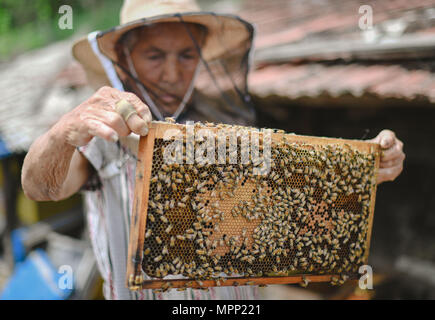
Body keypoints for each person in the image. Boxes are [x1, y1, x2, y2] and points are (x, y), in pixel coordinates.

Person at [21, 0, 405, 300]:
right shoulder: (101, 135)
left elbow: (294, 200)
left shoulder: (232, 132)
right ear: (124, 58)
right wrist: (62, 134)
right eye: (155, 56)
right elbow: (42, 189)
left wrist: (367, 164)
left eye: (186, 56)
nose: (172, 72)